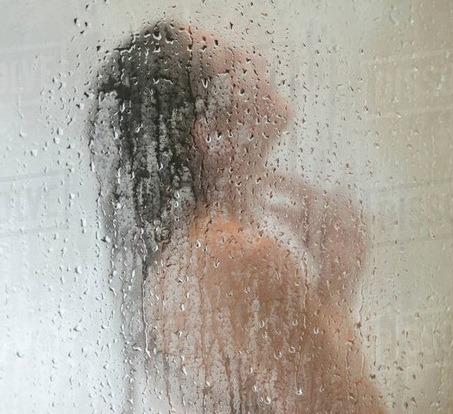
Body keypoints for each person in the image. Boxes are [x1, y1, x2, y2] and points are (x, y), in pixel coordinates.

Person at [90, 20, 384, 413]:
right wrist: (334, 291)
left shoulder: (179, 260)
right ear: (208, 132)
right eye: (231, 61)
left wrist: (334, 282)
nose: (253, 58)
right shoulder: (232, 258)